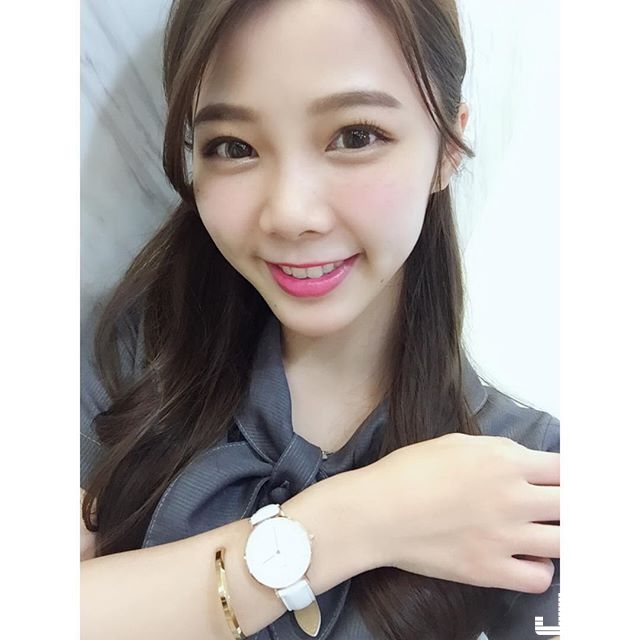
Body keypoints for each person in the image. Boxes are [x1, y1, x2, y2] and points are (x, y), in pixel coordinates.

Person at [80, 0, 560, 638]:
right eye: (233, 147)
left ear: (448, 146)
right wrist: (360, 521)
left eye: (356, 136)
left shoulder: (529, 470)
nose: (290, 213)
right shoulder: (120, 364)